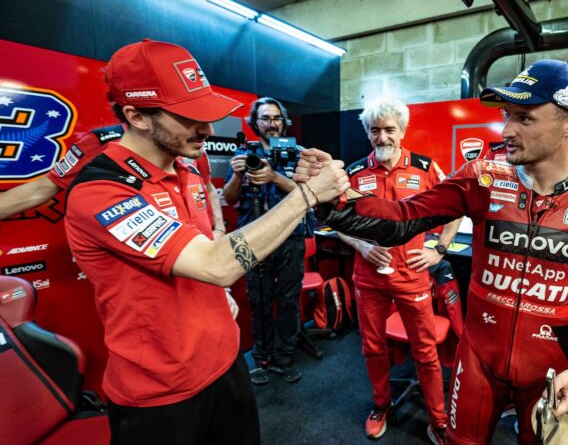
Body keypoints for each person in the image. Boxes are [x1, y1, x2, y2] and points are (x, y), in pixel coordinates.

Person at [295, 59, 568, 444]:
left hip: (553, 367)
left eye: (524, 118)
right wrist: (333, 198)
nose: (506, 130)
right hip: (478, 359)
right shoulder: (482, 177)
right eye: (507, 116)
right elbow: (401, 219)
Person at [63, 39, 348, 444]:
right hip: (161, 395)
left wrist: (214, 276)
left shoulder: (187, 171)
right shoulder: (103, 191)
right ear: (136, 116)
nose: (209, 130)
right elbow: (218, 265)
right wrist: (306, 195)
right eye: (189, 117)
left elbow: (212, 235)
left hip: (225, 363)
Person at [334, 98, 460, 444]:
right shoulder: (355, 173)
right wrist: (361, 245)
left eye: (390, 129)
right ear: (368, 133)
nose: (382, 136)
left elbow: (455, 209)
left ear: (402, 131)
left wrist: (438, 249)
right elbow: (338, 220)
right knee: (373, 348)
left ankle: (437, 418)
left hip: (412, 276)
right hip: (368, 278)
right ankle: (380, 405)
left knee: (424, 350)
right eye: (375, 130)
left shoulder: (424, 168)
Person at [0, 124, 227, 240]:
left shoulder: (193, 148)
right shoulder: (102, 142)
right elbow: (44, 187)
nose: (205, 130)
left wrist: (219, 228)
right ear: (136, 115)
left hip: (202, 256)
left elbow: (207, 187)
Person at [223, 97, 311, 384]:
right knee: (258, 300)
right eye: (264, 118)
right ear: (254, 123)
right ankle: (262, 357)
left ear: (283, 121)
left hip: (290, 236)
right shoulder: (243, 153)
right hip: (252, 239)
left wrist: (273, 176)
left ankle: (285, 357)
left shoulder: (297, 153)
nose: (271, 123)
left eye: (275, 118)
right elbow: (230, 198)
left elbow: (307, 195)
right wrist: (238, 175)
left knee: (287, 301)